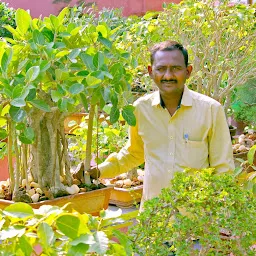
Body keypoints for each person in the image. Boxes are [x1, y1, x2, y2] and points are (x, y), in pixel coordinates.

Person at [87, 40, 235, 206]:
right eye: (161, 69)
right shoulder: (141, 109)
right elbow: (133, 153)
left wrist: (215, 212)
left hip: (196, 219)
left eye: (176, 68)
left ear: (188, 71)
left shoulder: (210, 110)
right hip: (153, 216)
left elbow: (223, 168)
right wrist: (98, 171)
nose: (168, 76)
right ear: (151, 72)